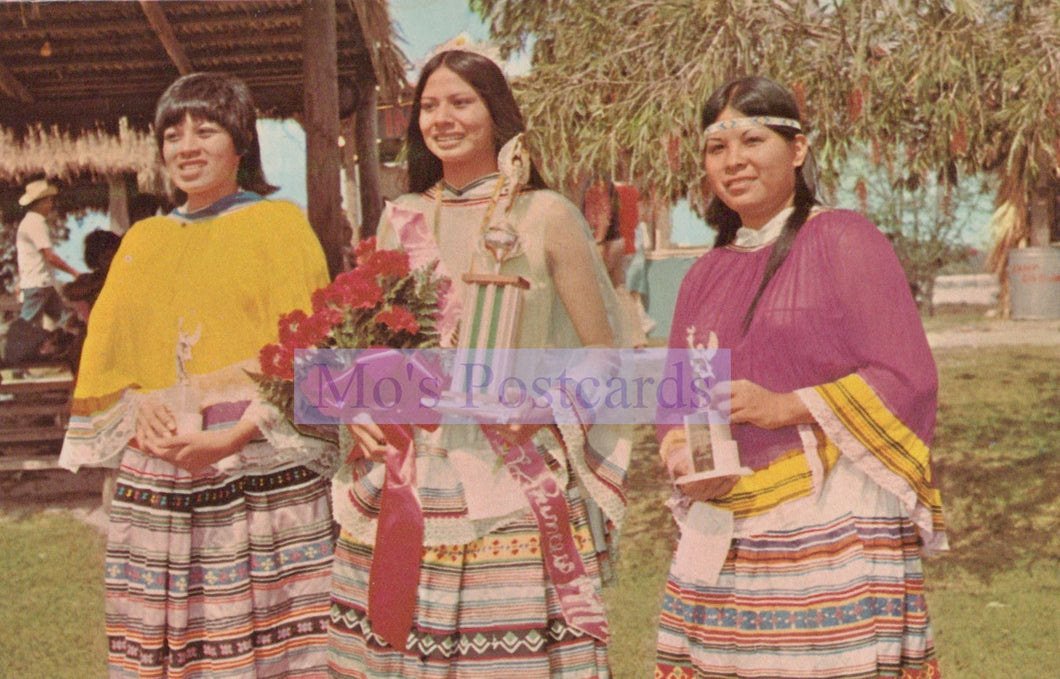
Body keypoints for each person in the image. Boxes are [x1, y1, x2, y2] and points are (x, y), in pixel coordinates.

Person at [329, 49, 630, 677]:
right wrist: (358, 402)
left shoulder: (546, 215)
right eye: (429, 106)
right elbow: (379, 348)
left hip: (513, 474)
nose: (442, 118)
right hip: (417, 472)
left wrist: (545, 404)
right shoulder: (403, 217)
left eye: (460, 102)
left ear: (497, 114)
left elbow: (606, 354)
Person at [655, 76, 947, 678]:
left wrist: (785, 406)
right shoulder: (703, 275)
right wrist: (681, 454)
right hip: (724, 521)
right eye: (717, 147)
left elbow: (905, 373)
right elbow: (676, 395)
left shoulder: (843, 238)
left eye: (752, 140)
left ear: (797, 149)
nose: (733, 160)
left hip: (830, 519)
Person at [59, 72, 337, 677]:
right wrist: (137, 406)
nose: (187, 146)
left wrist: (231, 437)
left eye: (206, 131)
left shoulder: (279, 225)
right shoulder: (144, 240)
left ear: (241, 143)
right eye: (172, 134)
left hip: (257, 464)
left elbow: (310, 352)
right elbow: (109, 355)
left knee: (268, 643)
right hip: (160, 469)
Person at [15, 178, 80, 331]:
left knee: (66, 320)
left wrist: (20, 279)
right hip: (38, 284)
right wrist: (74, 272)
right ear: (41, 203)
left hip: (42, 283)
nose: (51, 204)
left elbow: (24, 257)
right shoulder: (36, 224)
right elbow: (50, 257)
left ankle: (78, 340)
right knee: (24, 328)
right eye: (49, 200)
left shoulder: (27, 222)